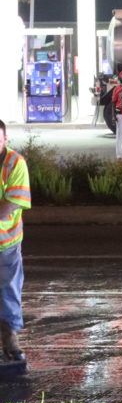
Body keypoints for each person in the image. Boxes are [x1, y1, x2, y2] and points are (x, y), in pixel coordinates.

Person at [0, 119, 31, 363]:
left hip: (6, 244)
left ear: (5, 139)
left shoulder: (15, 163)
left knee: (8, 291)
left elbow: (12, 202)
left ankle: (10, 342)